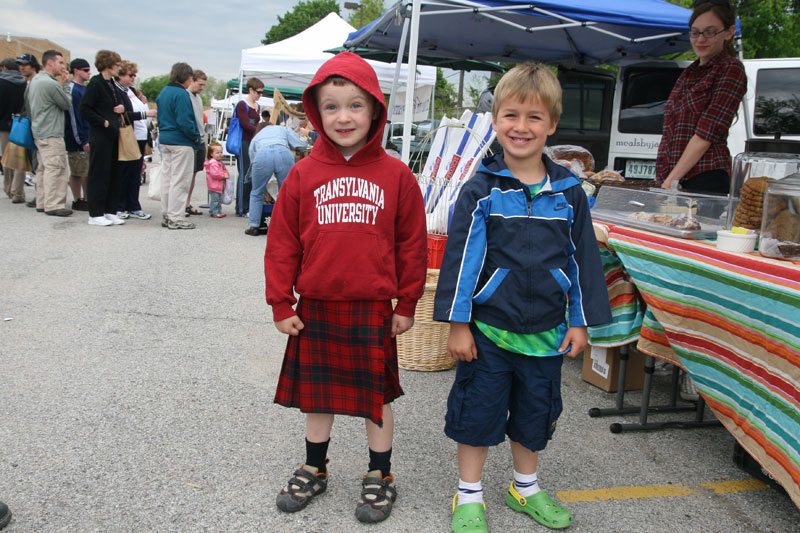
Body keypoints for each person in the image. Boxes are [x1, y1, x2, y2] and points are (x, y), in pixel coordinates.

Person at [432, 63, 612, 532]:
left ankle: (524, 487)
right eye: (510, 115)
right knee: (478, 414)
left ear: (552, 125)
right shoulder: (481, 190)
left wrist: (579, 321)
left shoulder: (570, 193)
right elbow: (461, 260)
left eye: (534, 117)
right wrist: (457, 323)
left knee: (536, 416)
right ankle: (468, 494)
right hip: (488, 331)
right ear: (495, 119)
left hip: (547, 333)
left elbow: (581, 262)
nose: (521, 127)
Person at [264, 52, 427, 523]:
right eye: (331, 107)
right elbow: (281, 244)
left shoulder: (397, 175)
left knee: (374, 399)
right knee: (318, 396)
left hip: (374, 307)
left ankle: (381, 474)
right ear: (316, 112)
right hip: (315, 305)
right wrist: (280, 301)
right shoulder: (304, 173)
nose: (343, 117)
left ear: (376, 109)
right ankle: (314, 467)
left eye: (355, 105)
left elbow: (412, 243)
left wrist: (408, 301)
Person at [657, 0, 746, 195]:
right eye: (695, 32)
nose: (700, 39)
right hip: (675, 178)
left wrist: (671, 181)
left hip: (705, 177)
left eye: (710, 31)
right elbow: (671, 132)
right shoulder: (689, 72)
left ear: (729, 32)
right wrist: (665, 177)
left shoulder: (731, 69)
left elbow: (707, 133)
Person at [80, 50, 155, 226]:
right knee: (99, 173)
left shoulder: (112, 84)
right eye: (117, 65)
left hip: (115, 134)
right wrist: (103, 122)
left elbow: (116, 106)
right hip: (101, 135)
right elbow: (85, 109)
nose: (119, 68)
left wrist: (121, 108)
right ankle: (95, 213)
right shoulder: (96, 83)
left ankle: (110, 210)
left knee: (114, 173)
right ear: (108, 65)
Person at [155, 62, 202, 230]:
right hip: (181, 141)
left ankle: (167, 213)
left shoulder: (164, 92)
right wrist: (195, 137)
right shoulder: (182, 94)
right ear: (187, 77)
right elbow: (185, 120)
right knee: (180, 180)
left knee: (167, 178)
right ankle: (176, 216)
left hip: (165, 139)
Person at [27, 49, 73, 217]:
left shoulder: (35, 81)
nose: (63, 66)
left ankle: (42, 201)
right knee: (56, 168)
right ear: (49, 62)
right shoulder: (50, 83)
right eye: (60, 62)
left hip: (39, 130)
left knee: (44, 168)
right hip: (52, 132)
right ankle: (54, 204)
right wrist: (66, 84)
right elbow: (66, 103)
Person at [244, 123, 306, 236]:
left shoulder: (257, 136)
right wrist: (304, 139)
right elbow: (301, 145)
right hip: (283, 153)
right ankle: (287, 226)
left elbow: (251, 155)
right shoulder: (282, 129)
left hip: (262, 155)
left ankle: (254, 226)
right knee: (286, 192)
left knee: (256, 192)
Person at [114, 60, 154, 220]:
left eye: (134, 75)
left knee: (135, 173)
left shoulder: (130, 90)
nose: (133, 78)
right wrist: (145, 114)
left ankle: (133, 205)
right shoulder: (118, 91)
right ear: (120, 75)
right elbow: (124, 115)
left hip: (140, 137)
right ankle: (120, 205)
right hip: (128, 136)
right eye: (130, 75)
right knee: (125, 172)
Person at [64, 58, 91, 211]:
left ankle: (87, 198)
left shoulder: (85, 89)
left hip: (87, 134)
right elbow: (73, 117)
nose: (89, 73)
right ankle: (78, 199)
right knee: (78, 170)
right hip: (77, 137)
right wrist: (81, 140)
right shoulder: (72, 89)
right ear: (76, 71)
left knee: (86, 169)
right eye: (86, 70)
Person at [234, 78, 262, 217]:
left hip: (253, 142)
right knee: (244, 174)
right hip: (244, 142)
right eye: (258, 92)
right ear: (251, 90)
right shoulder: (242, 105)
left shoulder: (257, 106)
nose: (260, 95)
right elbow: (245, 124)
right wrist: (260, 131)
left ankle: (248, 205)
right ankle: (241, 207)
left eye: (262, 92)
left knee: (251, 174)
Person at [0, 57, 27, 204]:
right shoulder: (24, 83)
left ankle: (9, 188)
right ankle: (18, 192)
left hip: (4, 125)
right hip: (21, 123)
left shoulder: (2, 83)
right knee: (20, 158)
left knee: (6, 158)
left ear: (4, 68)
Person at [185, 70, 208, 217]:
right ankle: (180, 204)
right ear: (192, 81)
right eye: (200, 84)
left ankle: (187, 203)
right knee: (185, 174)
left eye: (203, 85)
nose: (201, 88)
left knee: (193, 174)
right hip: (190, 140)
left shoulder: (198, 98)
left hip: (200, 139)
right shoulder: (185, 96)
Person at [203, 142, 228, 218]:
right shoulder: (213, 163)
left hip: (219, 186)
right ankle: (214, 212)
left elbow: (225, 170)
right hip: (214, 186)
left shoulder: (220, 163)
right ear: (211, 154)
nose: (220, 154)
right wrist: (224, 175)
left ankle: (218, 211)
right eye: (217, 153)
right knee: (215, 200)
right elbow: (215, 174)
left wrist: (227, 173)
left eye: (221, 152)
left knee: (219, 200)